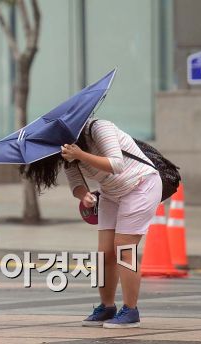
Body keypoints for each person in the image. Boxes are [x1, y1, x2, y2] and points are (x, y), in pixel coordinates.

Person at [20, 118, 162, 329]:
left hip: (140, 185)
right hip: (111, 193)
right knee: (104, 253)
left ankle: (131, 311)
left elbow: (117, 164)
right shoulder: (66, 151)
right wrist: (83, 195)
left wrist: (80, 154)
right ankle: (107, 307)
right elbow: (76, 184)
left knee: (124, 249)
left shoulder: (99, 128)